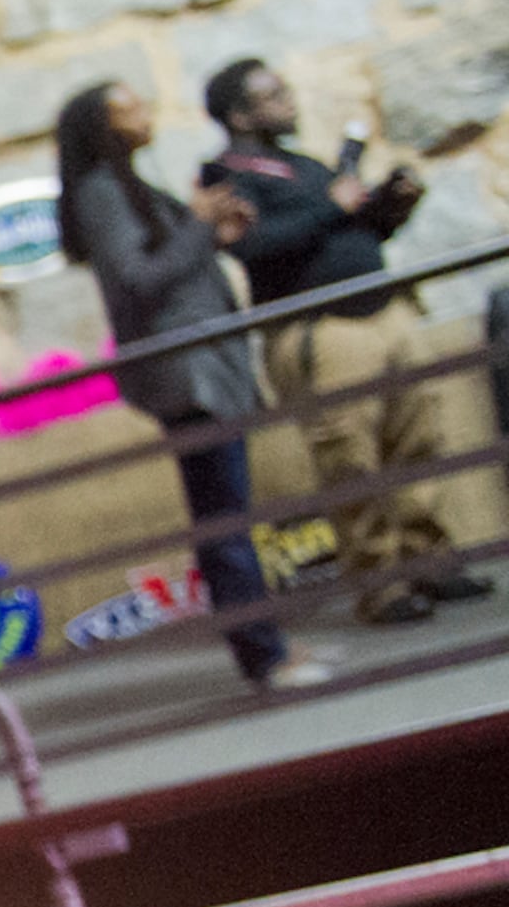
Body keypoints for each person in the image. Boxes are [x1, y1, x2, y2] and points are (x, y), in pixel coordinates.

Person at [52, 83, 333, 690]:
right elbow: (138, 277)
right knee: (222, 517)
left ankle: (265, 644)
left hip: (205, 367)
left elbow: (163, 264)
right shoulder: (101, 192)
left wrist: (213, 233)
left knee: (226, 512)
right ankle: (262, 655)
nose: (146, 110)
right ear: (101, 128)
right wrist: (201, 225)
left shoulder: (125, 187)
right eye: (129, 105)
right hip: (188, 375)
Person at [200, 57, 488, 623]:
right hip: (322, 331)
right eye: (272, 94)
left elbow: (349, 229)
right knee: (350, 459)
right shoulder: (227, 175)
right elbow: (252, 245)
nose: (288, 101)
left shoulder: (302, 165)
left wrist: (388, 206)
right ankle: (381, 583)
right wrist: (333, 204)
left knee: (416, 440)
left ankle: (429, 558)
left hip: (383, 311)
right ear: (238, 113)